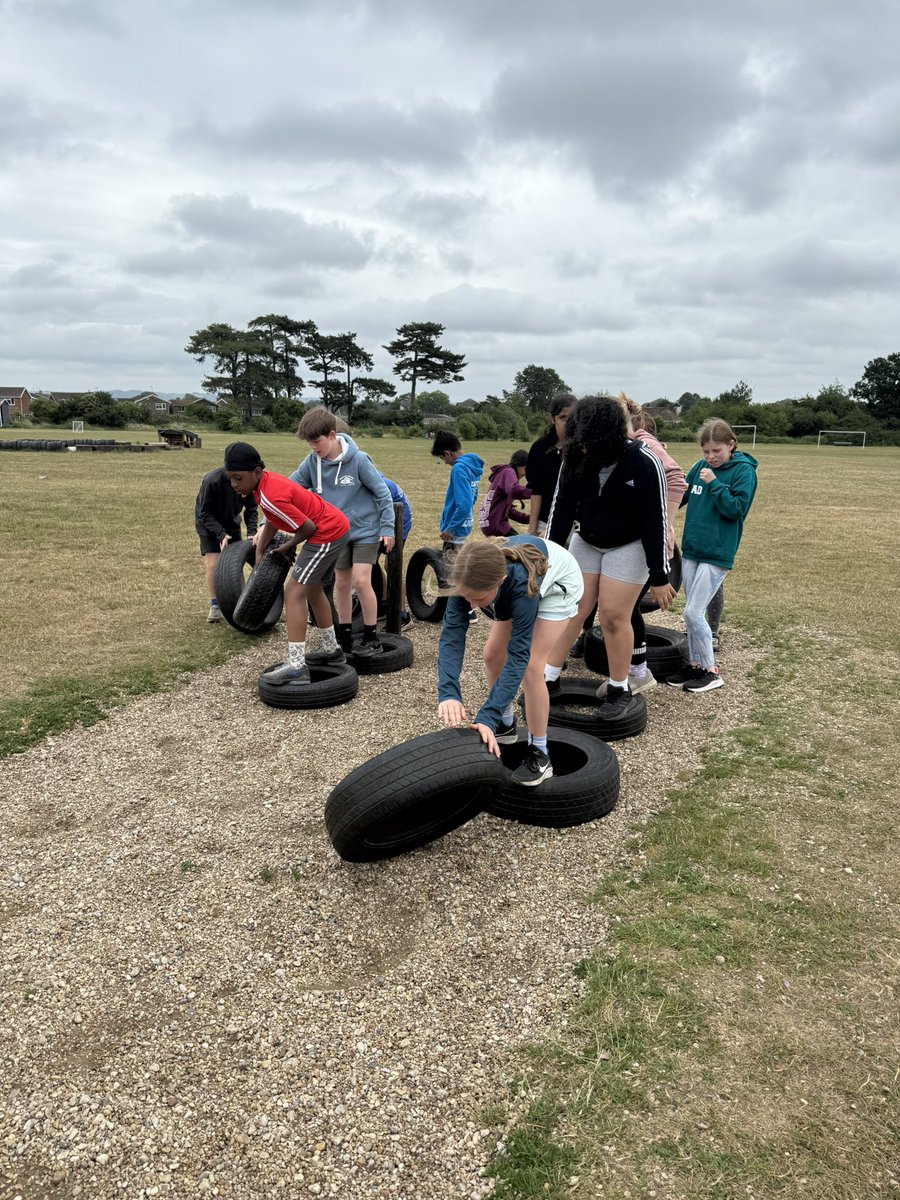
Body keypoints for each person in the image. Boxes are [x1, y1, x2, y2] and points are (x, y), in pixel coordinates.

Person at [546, 395, 675, 720]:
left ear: (607, 436)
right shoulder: (574, 457)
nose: (582, 448)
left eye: (587, 442)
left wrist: (659, 576)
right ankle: (548, 677)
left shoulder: (645, 462)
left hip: (629, 544)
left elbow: (656, 522)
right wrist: (547, 558)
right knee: (571, 610)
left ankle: (619, 687)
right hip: (588, 540)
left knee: (614, 616)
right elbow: (560, 511)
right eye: (578, 441)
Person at [436, 536, 583, 786]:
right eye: (467, 597)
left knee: (532, 667)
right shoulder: (466, 577)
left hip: (559, 583)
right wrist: (448, 692)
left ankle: (540, 752)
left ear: (500, 581)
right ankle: (505, 723)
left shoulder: (520, 587)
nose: (472, 605)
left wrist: (487, 716)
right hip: (514, 584)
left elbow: (518, 655)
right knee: (492, 655)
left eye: (478, 599)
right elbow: (451, 636)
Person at [223, 441, 350, 684]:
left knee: (294, 592)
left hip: (326, 532)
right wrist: (261, 550)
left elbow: (307, 527)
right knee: (312, 588)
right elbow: (272, 518)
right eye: (230, 479)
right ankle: (332, 651)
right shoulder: (263, 486)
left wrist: (287, 546)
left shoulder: (269, 494)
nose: (234, 484)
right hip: (332, 528)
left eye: (238, 478)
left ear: (256, 472)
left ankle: (296, 666)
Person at [593, 396, 686, 696]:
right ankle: (632, 668)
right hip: (619, 539)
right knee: (620, 609)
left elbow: (676, 479)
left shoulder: (643, 443)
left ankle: (638, 671)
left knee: (624, 609)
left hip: (643, 542)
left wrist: (664, 521)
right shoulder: (610, 447)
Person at [291, 407, 395, 657]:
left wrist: (387, 528)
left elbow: (382, 493)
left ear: (331, 435)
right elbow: (289, 488)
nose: (313, 447)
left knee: (361, 580)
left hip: (366, 531)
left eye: (316, 441)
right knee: (342, 584)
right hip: (337, 533)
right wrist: (266, 522)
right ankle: (345, 636)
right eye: (308, 442)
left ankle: (371, 636)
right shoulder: (311, 462)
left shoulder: (359, 460)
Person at [668, 419, 758, 693]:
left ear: (731, 445)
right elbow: (680, 496)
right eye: (706, 451)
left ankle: (711, 671)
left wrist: (716, 484)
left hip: (717, 552)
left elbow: (737, 509)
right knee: (690, 614)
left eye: (716, 451)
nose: (710, 457)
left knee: (693, 613)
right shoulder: (699, 467)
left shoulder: (743, 472)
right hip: (693, 549)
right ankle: (695, 665)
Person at [430, 429, 484, 622]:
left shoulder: (458, 469)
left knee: (453, 571)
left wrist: (450, 528)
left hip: (456, 529)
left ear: (447, 453)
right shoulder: (471, 466)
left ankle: (466, 610)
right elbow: (473, 497)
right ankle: (463, 609)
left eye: (442, 458)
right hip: (464, 524)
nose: (444, 462)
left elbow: (464, 503)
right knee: (457, 567)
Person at [194, 464, 258, 622]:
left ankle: (241, 602)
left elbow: (251, 508)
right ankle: (215, 605)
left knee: (235, 562)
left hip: (231, 521)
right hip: (208, 522)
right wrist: (221, 534)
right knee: (214, 564)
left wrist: (251, 532)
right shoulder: (212, 481)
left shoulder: (246, 481)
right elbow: (205, 513)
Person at [526, 394, 576, 536]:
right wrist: (532, 530)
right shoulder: (539, 448)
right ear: (553, 419)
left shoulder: (584, 447)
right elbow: (536, 491)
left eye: (573, 418)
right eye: (563, 417)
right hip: (546, 520)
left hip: (577, 523)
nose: (568, 423)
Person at [379, 470, 413, 629]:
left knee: (393, 566)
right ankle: (384, 603)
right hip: (386, 519)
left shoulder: (381, 485)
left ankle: (402, 613)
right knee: (371, 563)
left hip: (399, 521)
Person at [478, 450, 532, 537]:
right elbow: (514, 490)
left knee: (516, 542)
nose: (525, 474)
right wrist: (535, 491)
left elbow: (509, 511)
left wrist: (529, 519)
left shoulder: (504, 475)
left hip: (489, 524)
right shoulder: (509, 471)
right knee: (519, 544)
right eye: (525, 469)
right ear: (518, 464)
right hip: (497, 525)